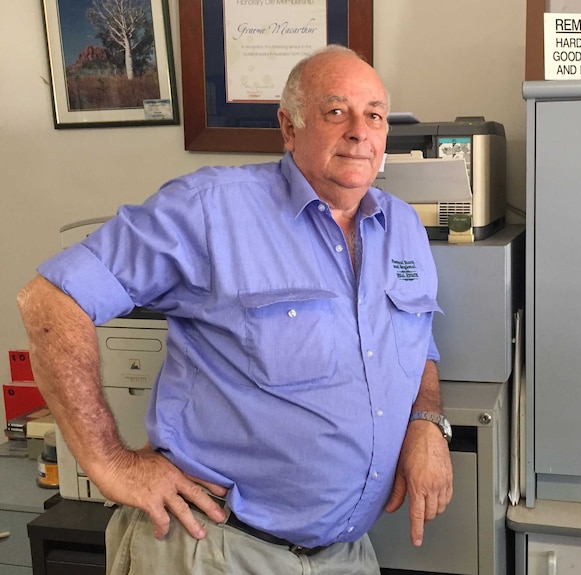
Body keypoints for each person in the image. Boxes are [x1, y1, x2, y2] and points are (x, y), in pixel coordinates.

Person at [17, 45, 453, 575]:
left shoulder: (402, 227)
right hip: (218, 550)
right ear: (289, 128)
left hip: (346, 555)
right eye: (336, 111)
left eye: (375, 115)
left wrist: (425, 422)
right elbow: (50, 300)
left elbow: (415, 339)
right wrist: (110, 462)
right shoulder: (211, 209)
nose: (360, 131)